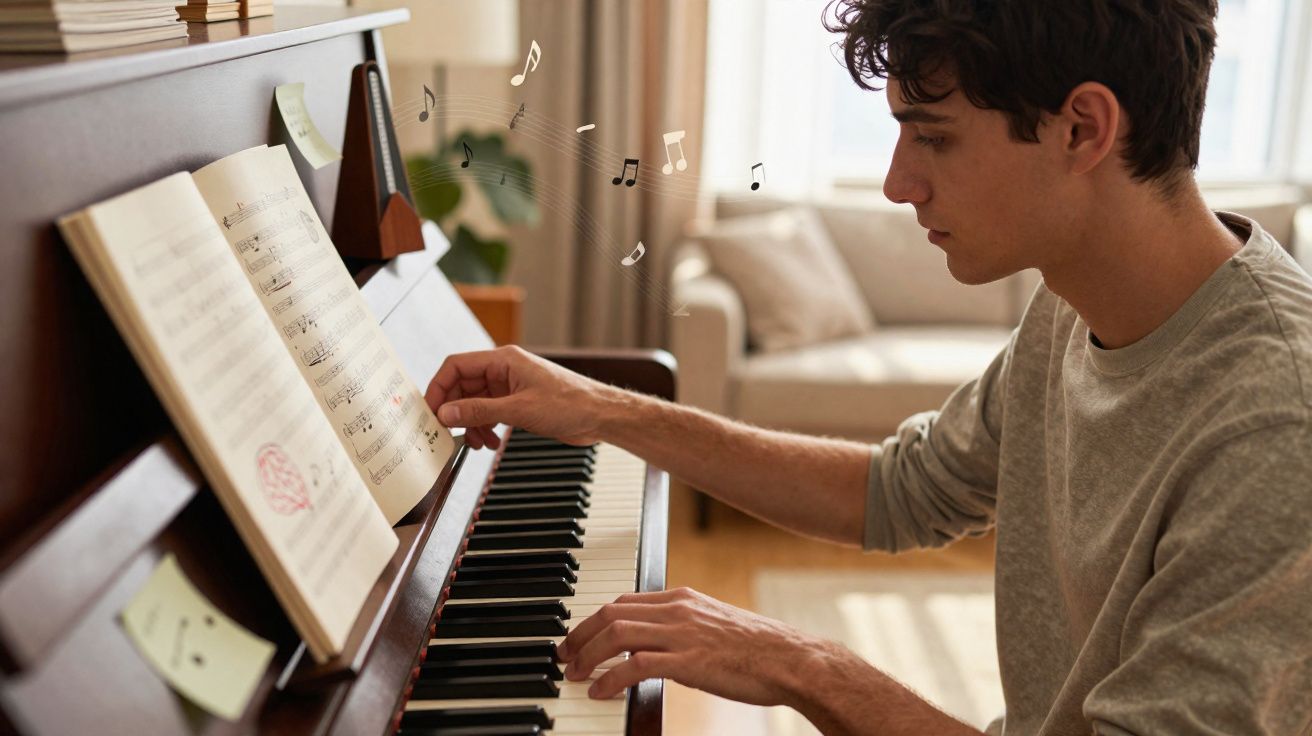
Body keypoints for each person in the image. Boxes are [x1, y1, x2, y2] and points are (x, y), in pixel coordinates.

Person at [425, 0, 1312, 732]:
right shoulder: (1074, 301)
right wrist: (609, 413)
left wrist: (801, 663)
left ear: (1082, 128)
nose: (896, 182)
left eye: (932, 137)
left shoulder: (1275, 426)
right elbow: (899, 491)